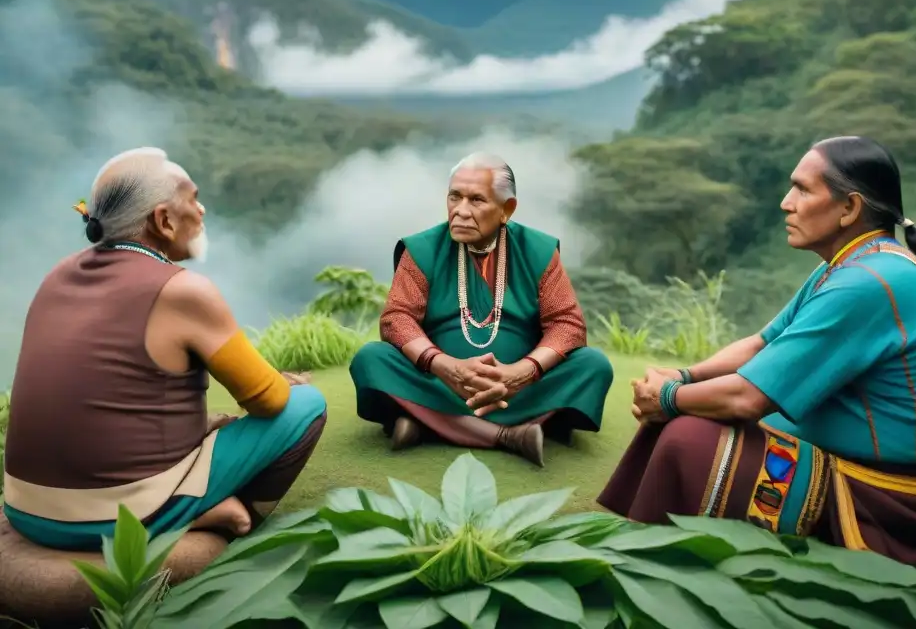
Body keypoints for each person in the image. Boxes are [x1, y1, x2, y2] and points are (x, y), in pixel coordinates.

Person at [597, 136, 916, 566]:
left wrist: (666, 398)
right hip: (873, 469)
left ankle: (647, 562)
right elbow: (761, 343)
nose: (785, 202)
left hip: (898, 500)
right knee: (689, 410)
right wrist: (684, 376)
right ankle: (639, 535)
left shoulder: (867, 282)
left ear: (849, 208)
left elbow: (747, 398)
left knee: (689, 435)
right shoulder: (850, 264)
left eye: (802, 189)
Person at [2, 147, 328, 552]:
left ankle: (186, 506)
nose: (203, 210)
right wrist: (278, 383)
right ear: (163, 220)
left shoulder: (57, 274)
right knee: (306, 405)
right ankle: (219, 523)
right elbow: (273, 402)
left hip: (26, 509)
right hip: (111, 518)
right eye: (193, 199)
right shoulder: (184, 291)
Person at [349, 152, 614, 467]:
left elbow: (567, 325)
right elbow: (397, 319)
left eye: (476, 200)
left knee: (593, 365)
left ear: (507, 209)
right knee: (372, 359)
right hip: (438, 379)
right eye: (454, 197)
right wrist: (444, 366)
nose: (460, 211)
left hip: (517, 386)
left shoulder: (538, 251)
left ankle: (426, 422)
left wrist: (522, 373)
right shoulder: (422, 249)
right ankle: (509, 435)